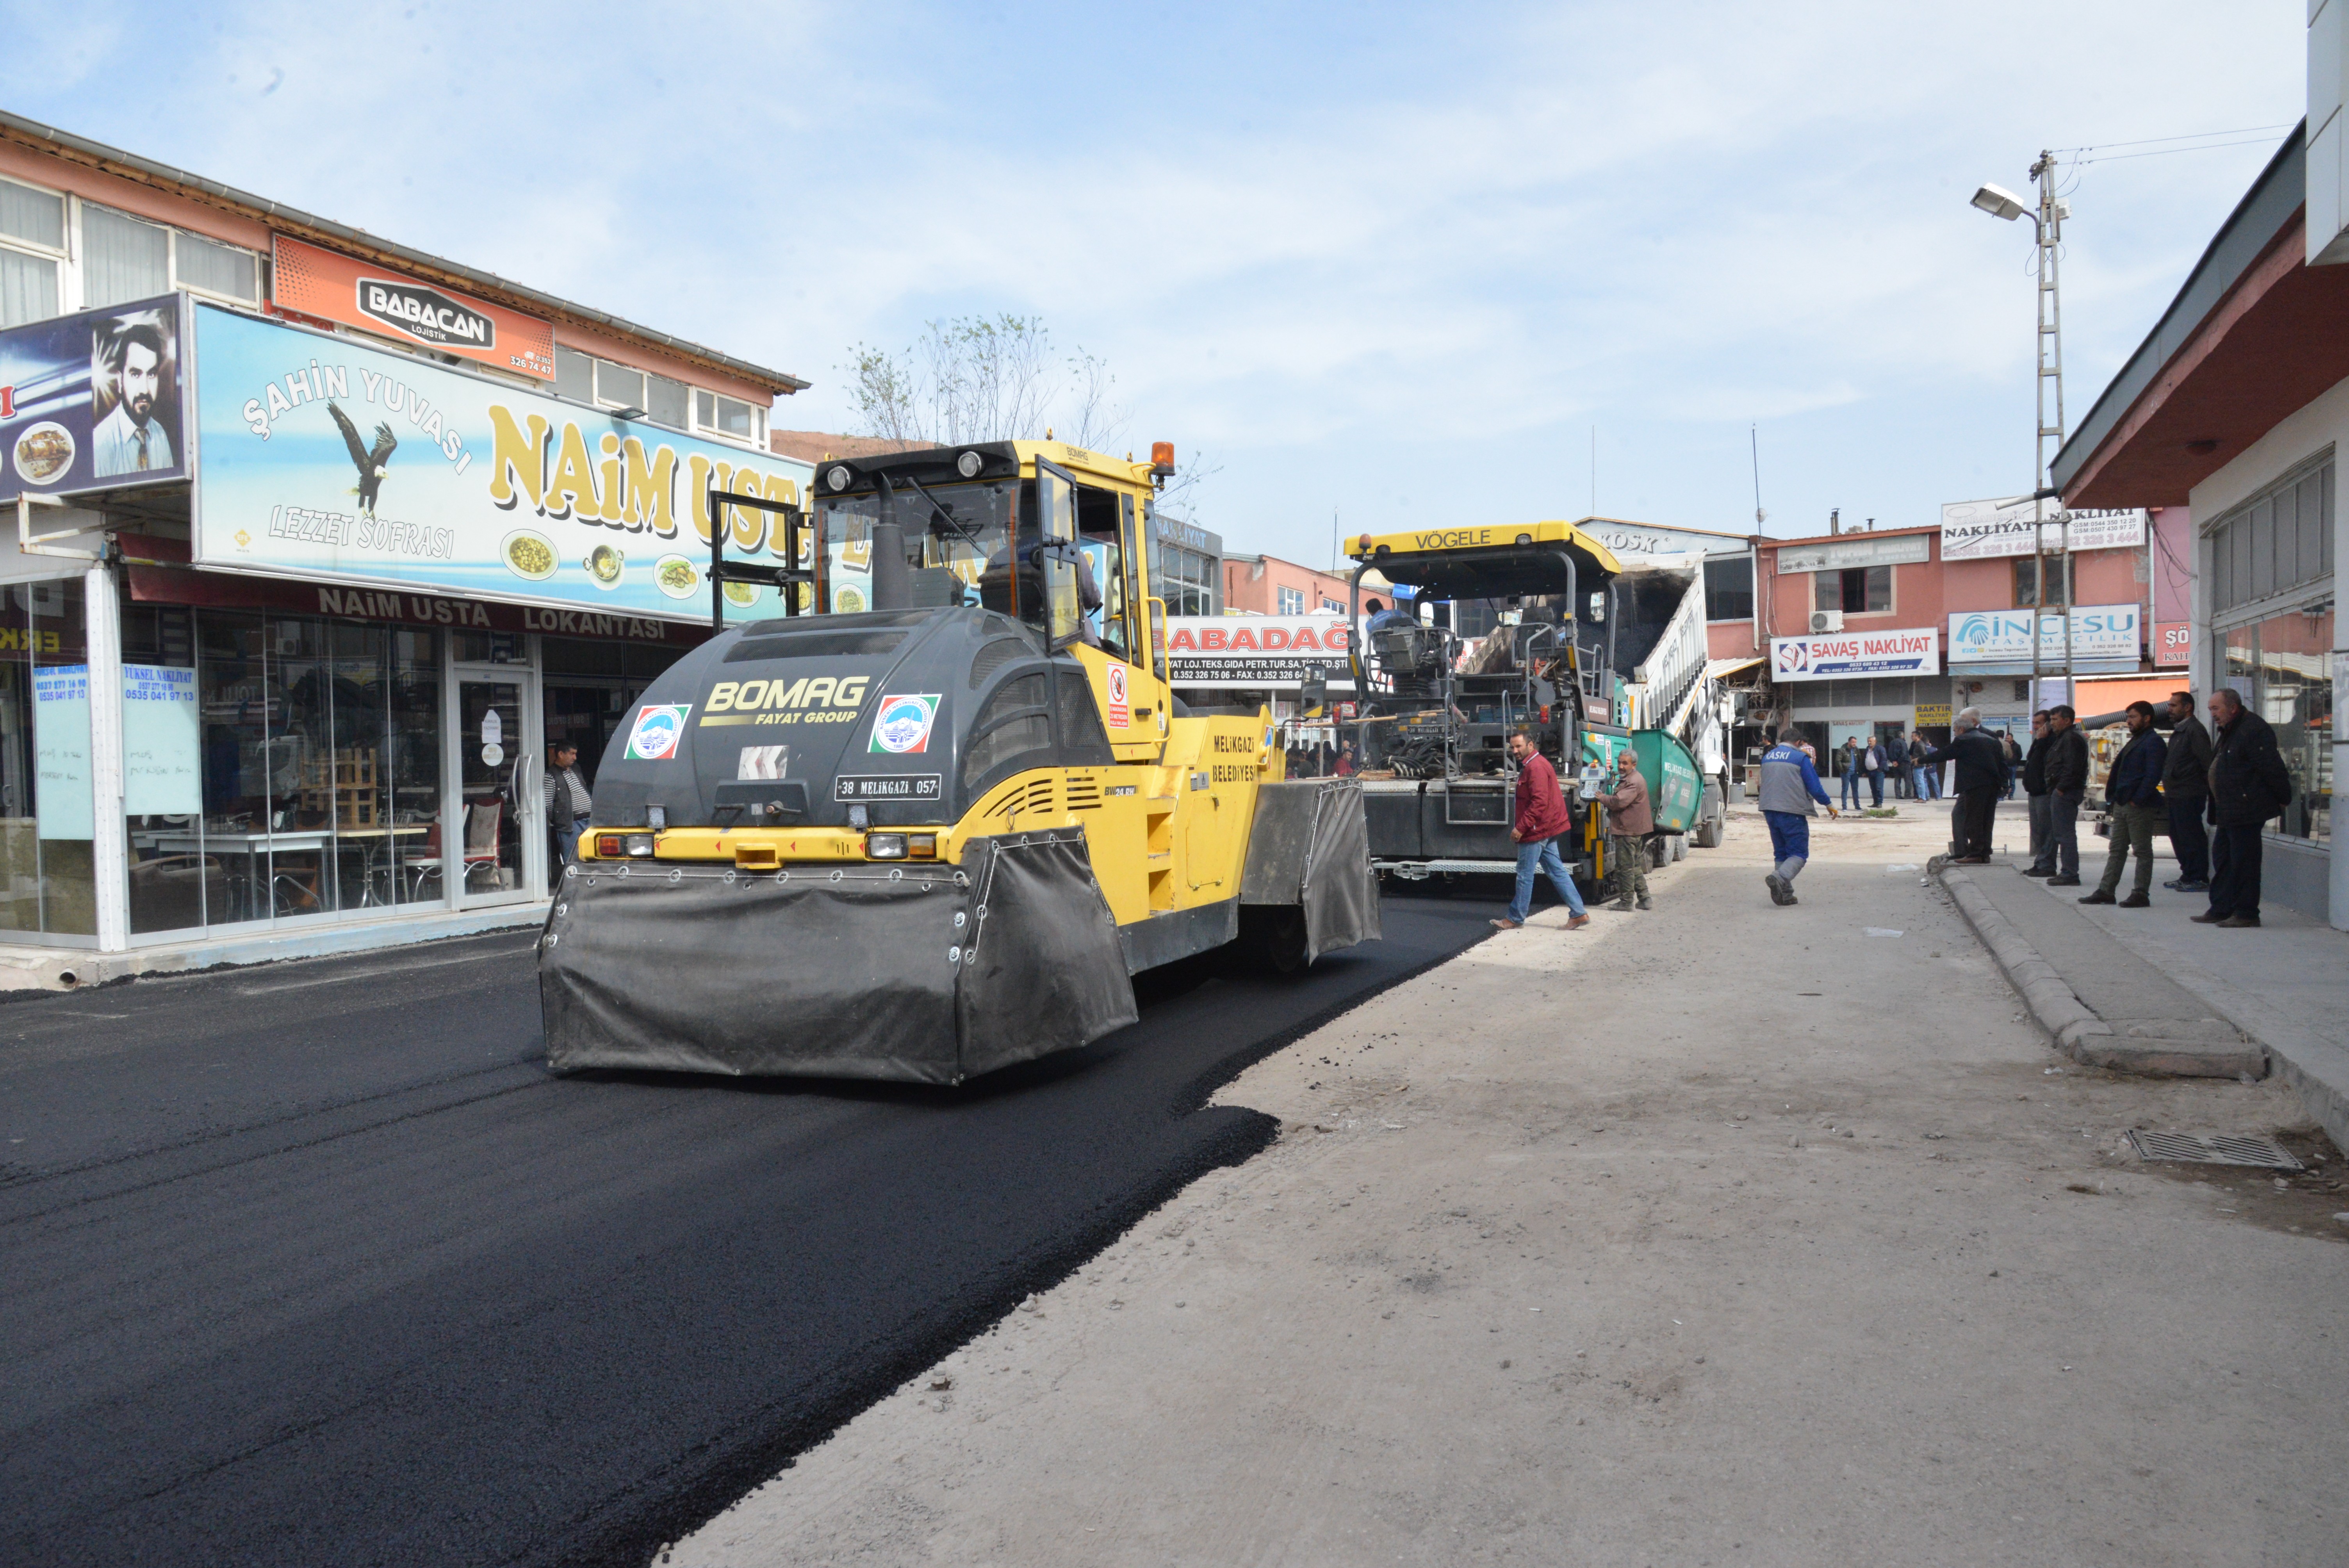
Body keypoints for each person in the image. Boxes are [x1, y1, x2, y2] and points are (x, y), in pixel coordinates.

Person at [2194, 687, 2293, 928]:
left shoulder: (2252, 729)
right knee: (2223, 860)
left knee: (2244, 863)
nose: (2213, 714)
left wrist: (2283, 797)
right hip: (2229, 809)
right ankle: (2221, 908)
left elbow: (2271, 767)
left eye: (2216, 709)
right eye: (2210, 710)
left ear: (2233, 708)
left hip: (2246, 809)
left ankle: (2246, 912)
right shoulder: (2230, 730)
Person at [1490, 729, 1589, 932]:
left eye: (1519, 746)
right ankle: (1579, 913)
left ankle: (1515, 918)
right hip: (1547, 829)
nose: (1515, 751)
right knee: (1557, 871)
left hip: (1537, 831)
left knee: (1525, 875)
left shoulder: (1535, 767)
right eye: (1513, 747)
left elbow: (1539, 803)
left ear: (1531, 745)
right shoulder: (1536, 764)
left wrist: (1521, 828)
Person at [2081, 701, 2166, 908]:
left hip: (2138, 805)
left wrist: (2137, 799)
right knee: (2117, 849)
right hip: (2122, 803)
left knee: (2142, 850)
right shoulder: (2137, 740)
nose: (2128, 721)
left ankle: (2140, 893)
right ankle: (2106, 891)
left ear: (2147, 719)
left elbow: (2153, 775)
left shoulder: (2153, 742)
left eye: (2133, 717)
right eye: (2128, 717)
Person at [1757, 728, 1838, 905]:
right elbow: (1814, 786)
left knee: (1782, 853)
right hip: (1791, 811)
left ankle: (1785, 895)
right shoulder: (1800, 758)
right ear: (1798, 743)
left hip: (1769, 810)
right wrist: (1829, 805)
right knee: (1799, 853)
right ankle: (1779, 877)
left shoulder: (1767, 757)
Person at [1921, 708, 2007, 863]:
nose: (1954, 734)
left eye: (1956, 730)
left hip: (1974, 786)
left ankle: (1975, 853)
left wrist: (1920, 760)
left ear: (1967, 725)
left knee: (1974, 820)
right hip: (1990, 785)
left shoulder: (1966, 739)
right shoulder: (1991, 739)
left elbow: (1944, 754)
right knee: (1983, 819)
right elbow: (2002, 763)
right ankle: (1977, 853)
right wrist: (2004, 784)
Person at [93, 318, 175, 476]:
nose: (144, 389)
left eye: (151, 374)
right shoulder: (101, 443)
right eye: (135, 374)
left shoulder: (160, 435)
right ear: (120, 380)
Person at [2158, 688, 2214, 893]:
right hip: (2176, 793)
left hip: (2189, 793)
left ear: (2187, 707)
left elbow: (2206, 762)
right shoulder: (2181, 730)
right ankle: (2187, 875)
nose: (2169, 709)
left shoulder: (2194, 730)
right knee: (2178, 834)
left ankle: (2198, 877)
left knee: (2191, 835)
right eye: (2169, 705)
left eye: (2174, 705)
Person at [1601, 749, 1654, 912]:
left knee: (1625, 867)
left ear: (1634, 765)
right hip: (1633, 829)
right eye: (1620, 763)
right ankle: (1645, 899)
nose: (1621, 766)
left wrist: (1601, 797)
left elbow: (1618, 802)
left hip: (1628, 830)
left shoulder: (1633, 782)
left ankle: (1626, 903)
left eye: (1625, 763)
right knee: (1634, 865)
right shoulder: (1633, 779)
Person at [2041, 705, 2089, 886]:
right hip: (2063, 791)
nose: (2051, 723)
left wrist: (2061, 789)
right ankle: (2067, 872)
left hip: (2066, 793)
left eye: (2055, 720)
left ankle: (2070, 874)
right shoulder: (2064, 738)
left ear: (2067, 721)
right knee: (2062, 834)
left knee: (2065, 835)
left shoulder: (2071, 738)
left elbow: (2072, 767)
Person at [544, 741, 593, 868]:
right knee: (573, 859)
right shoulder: (551, 775)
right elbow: (548, 804)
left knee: (592, 856)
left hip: (590, 820)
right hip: (571, 824)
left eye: (575, 754)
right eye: (572, 754)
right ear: (561, 754)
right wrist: (558, 820)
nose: (575, 758)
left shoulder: (576, 768)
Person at [2019, 711, 2055, 877]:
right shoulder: (2038, 741)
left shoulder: (2050, 741)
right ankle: (2040, 862)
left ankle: (2047, 865)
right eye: (2034, 723)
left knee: (2046, 830)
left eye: (2039, 723)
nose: (2035, 726)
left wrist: (2042, 741)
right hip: (2034, 791)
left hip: (2044, 791)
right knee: (2037, 831)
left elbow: (2044, 762)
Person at [1909, 731, 1940, 800]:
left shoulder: (1920, 745)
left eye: (1913, 736)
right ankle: (1923, 797)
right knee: (1918, 782)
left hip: (1920, 766)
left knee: (1920, 782)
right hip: (1917, 766)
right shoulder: (1915, 744)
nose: (1912, 737)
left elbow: (1925, 755)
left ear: (1917, 736)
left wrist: (1918, 760)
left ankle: (1923, 798)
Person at [1838, 738, 1863, 811]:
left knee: (1855, 790)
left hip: (1855, 773)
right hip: (1846, 773)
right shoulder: (1842, 750)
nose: (1854, 744)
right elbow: (1838, 761)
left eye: (1855, 742)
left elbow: (1859, 760)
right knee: (1845, 789)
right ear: (1849, 742)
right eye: (1853, 742)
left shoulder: (1856, 750)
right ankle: (1844, 807)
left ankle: (1857, 806)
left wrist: (1858, 769)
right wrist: (1843, 770)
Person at [1863, 735, 1887, 808]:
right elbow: (1865, 760)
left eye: (1871, 741)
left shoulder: (1880, 749)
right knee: (1873, 788)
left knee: (1879, 788)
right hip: (1870, 772)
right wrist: (1865, 771)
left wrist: (1880, 769)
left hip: (1878, 772)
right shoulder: (1867, 749)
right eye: (1868, 741)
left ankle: (1880, 803)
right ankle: (1875, 802)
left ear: (1875, 741)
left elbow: (1884, 759)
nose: (1869, 743)